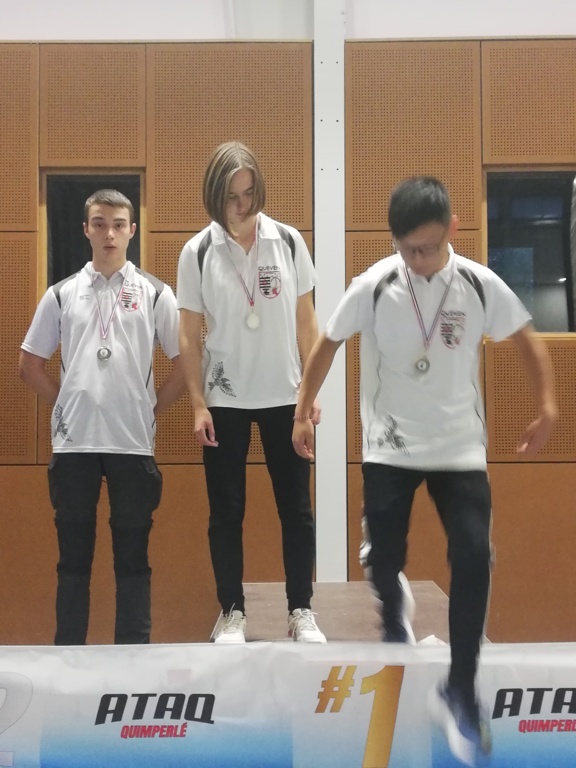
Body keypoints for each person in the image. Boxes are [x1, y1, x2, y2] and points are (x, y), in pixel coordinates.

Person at [292, 177, 556, 765]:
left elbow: (527, 340)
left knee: (473, 554)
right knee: (385, 558)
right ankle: (393, 602)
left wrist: (547, 406)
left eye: (429, 248)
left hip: (459, 448)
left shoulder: (479, 285)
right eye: (408, 249)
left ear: (452, 230)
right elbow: (328, 342)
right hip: (390, 445)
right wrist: (303, 411)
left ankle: (459, 689)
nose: (419, 259)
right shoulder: (375, 284)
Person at [19, 189, 185, 646]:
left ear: (132, 231)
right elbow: (29, 364)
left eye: (117, 225)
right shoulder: (61, 294)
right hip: (75, 444)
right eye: (99, 223)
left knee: (133, 561)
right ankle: (68, 655)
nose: (108, 233)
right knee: (72, 562)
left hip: (132, 443)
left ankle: (134, 655)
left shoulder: (156, 293)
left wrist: (151, 408)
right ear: (86, 230)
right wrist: (68, 402)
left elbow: (187, 364)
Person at [177, 141, 325, 644]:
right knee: (226, 513)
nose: (243, 206)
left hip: (286, 396)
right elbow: (187, 335)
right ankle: (232, 612)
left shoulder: (289, 242)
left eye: (249, 193)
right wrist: (198, 402)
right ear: (214, 197)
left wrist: (309, 394)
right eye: (232, 197)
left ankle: (301, 610)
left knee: (296, 510)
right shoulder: (197, 251)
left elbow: (307, 323)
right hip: (225, 399)